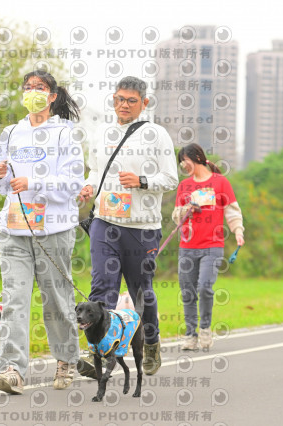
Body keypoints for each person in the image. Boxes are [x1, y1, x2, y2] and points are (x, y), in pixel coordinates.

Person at [0, 70, 84, 394]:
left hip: (53, 229)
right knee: (14, 299)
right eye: (27, 87)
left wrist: (34, 182)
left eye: (39, 87)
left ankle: (66, 358)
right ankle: (11, 369)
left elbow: (73, 183)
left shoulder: (64, 133)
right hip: (13, 227)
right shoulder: (11, 132)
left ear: (52, 96)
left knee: (56, 299)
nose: (32, 92)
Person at [77, 76, 178, 376]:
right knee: (101, 287)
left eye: (131, 101)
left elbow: (170, 178)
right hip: (105, 221)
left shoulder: (156, 135)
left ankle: (151, 342)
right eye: (119, 99)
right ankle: (98, 350)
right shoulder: (102, 132)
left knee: (140, 292)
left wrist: (142, 181)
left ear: (144, 103)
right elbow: (95, 171)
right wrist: (88, 187)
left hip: (141, 227)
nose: (124, 105)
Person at [172, 144, 244, 350]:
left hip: (212, 246)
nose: (183, 166)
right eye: (181, 163)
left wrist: (238, 231)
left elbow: (232, 210)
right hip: (187, 246)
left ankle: (204, 328)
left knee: (204, 287)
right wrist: (187, 209)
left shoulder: (220, 182)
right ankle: (190, 335)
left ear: (196, 157)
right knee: (187, 292)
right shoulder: (184, 185)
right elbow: (176, 216)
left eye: (185, 161)